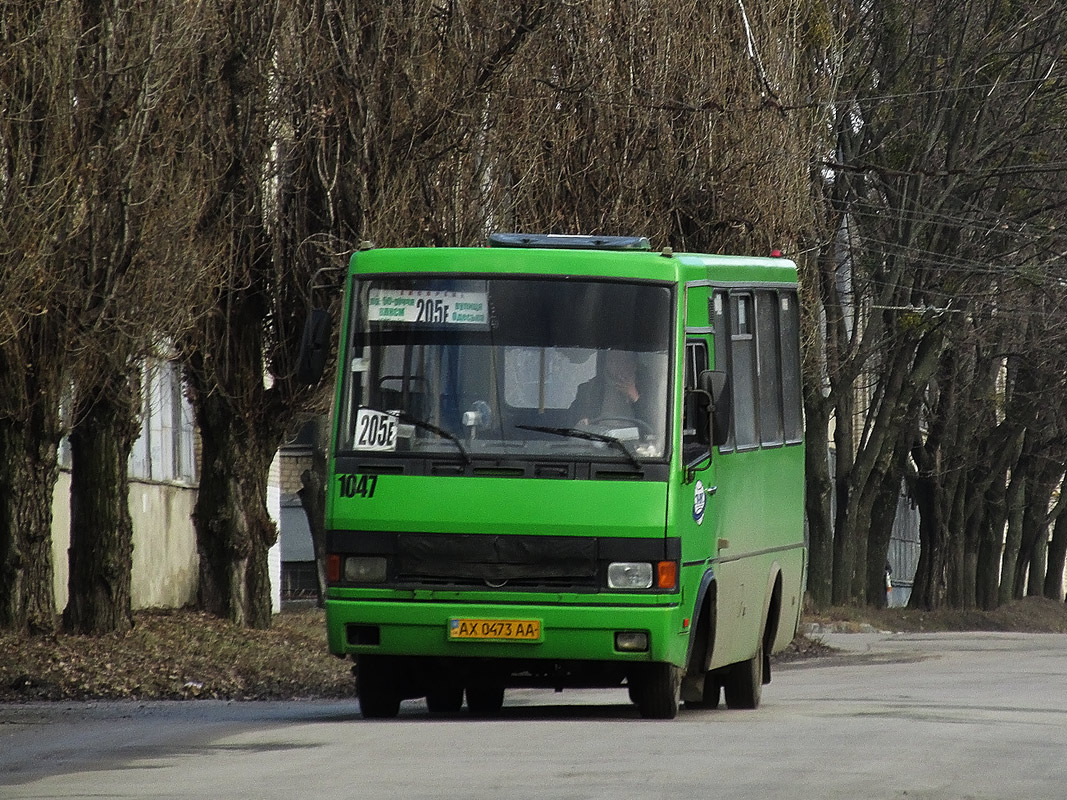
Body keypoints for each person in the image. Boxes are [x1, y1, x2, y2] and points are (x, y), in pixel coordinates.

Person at [571, 350, 646, 427]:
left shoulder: (649, 387)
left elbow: (654, 424)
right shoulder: (587, 390)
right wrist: (583, 421)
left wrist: (635, 398)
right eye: (613, 360)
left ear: (634, 364)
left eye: (625, 360)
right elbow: (573, 421)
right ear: (606, 362)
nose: (619, 365)